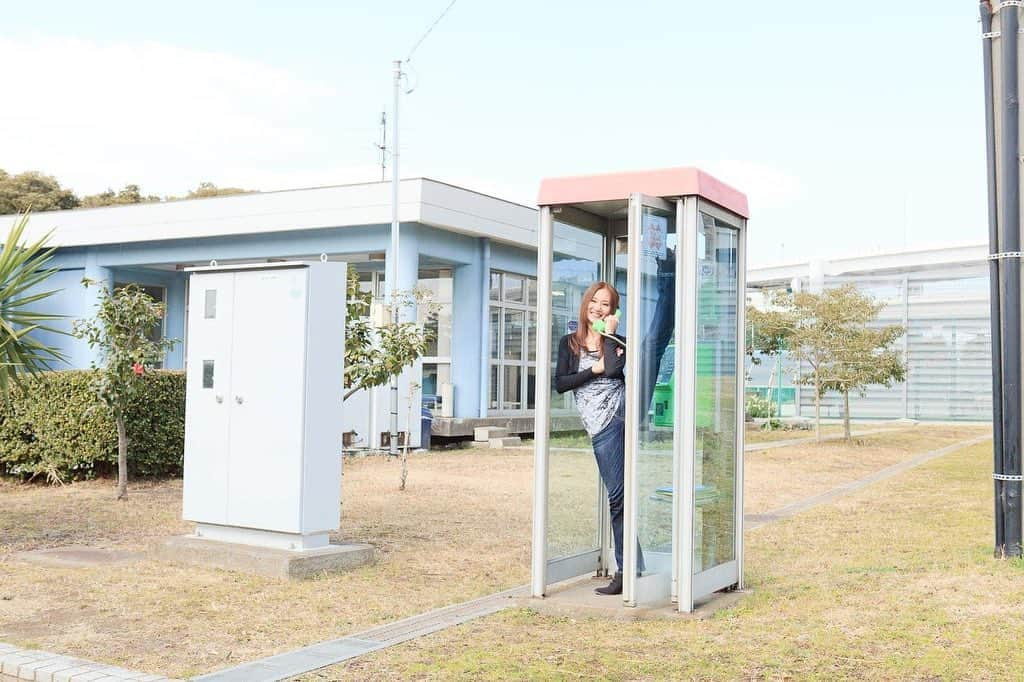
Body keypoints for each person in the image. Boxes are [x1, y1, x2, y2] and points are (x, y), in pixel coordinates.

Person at [554, 281, 644, 596]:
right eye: (594, 301)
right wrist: (593, 369)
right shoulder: (569, 343)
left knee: (617, 497)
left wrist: (609, 333)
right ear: (586, 304)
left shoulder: (617, 340)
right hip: (597, 426)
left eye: (605, 305)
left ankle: (625, 572)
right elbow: (561, 383)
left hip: (618, 419)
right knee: (619, 496)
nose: (598, 308)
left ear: (613, 311)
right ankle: (635, 566)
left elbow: (614, 370)